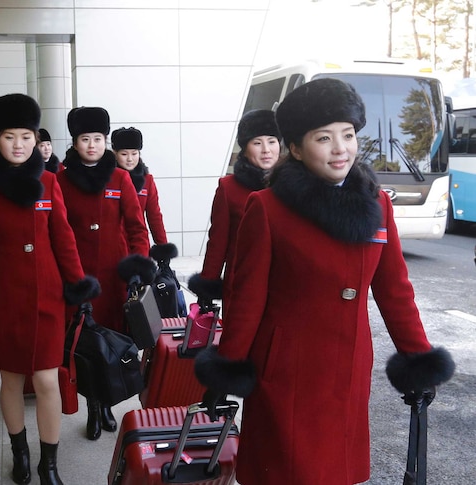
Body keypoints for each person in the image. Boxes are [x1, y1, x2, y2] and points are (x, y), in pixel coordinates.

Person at [194, 78, 455, 485]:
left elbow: (394, 290)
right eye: (324, 137)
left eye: (348, 135)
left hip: (350, 365)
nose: (341, 148)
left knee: (337, 472)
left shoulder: (377, 202)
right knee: (291, 472)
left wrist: (418, 360)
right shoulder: (266, 208)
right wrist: (227, 369)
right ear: (295, 148)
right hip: (285, 369)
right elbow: (247, 298)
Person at [0, 93, 99, 485]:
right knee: (10, 381)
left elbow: (63, 238)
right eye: (10, 137)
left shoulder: (48, 181)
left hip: (47, 295)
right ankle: (20, 453)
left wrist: (78, 286)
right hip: (2, 297)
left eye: (26, 136)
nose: (19, 145)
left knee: (46, 380)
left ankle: (49, 465)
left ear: (35, 138)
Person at [56, 107, 153, 441]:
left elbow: (136, 228)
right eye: (86, 139)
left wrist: (138, 267)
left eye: (98, 139)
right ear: (75, 142)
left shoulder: (120, 178)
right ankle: (93, 409)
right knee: (85, 345)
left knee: (110, 341)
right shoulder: (61, 180)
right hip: (79, 277)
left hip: (114, 277)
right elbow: (57, 231)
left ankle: (107, 404)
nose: (93, 145)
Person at [188, 110, 281, 307]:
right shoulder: (229, 188)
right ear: (245, 149)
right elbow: (218, 241)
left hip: (283, 286)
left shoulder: (293, 186)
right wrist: (208, 284)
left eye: (272, 141)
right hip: (242, 285)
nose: (266, 149)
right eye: (257, 143)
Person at [111, 127, 167, 245]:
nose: (130, 159)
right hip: (113, 244)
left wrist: (162, 247)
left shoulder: (147, 180)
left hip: (139, 243)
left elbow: (154, 216)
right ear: (115, 153)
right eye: (124, 154)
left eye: (134, 153)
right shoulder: (108, 179)